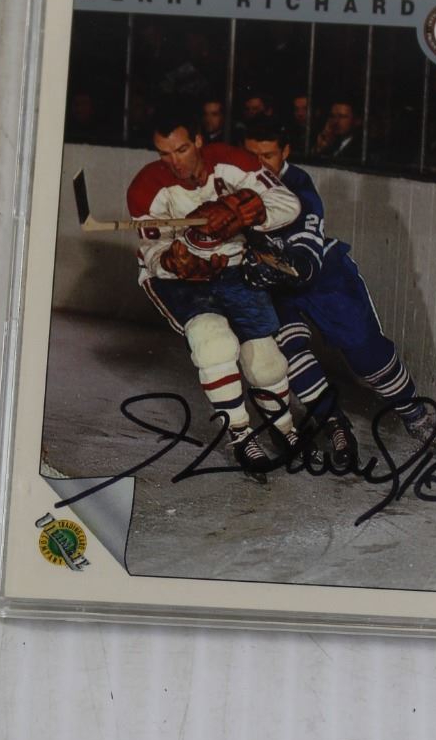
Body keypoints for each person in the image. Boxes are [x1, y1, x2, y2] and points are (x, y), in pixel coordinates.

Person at [240, 121, 436, 459]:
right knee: (289, 351)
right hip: (277, 286)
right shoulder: (234, 181)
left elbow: (305, 254)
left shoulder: (299, 187)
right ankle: (334, 425)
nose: (259, 165)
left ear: (285, 152)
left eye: (268, 155)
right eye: (251, 155)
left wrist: (284, 263)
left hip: (324, 276)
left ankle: (417, 419)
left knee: (366, 351)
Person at [126, 103, 303, 477]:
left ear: (198, 140)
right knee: (214, 343)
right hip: (180, 281)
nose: (174, 162)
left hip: (234, 267)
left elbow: (288, 203)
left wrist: (246, 209)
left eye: (182, 149)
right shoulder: (147, 187)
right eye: (164, 153)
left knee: (265, 360)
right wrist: (172, 261)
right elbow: (152, 250)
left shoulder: (231, 161)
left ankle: (285, 428)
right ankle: (239, 433)